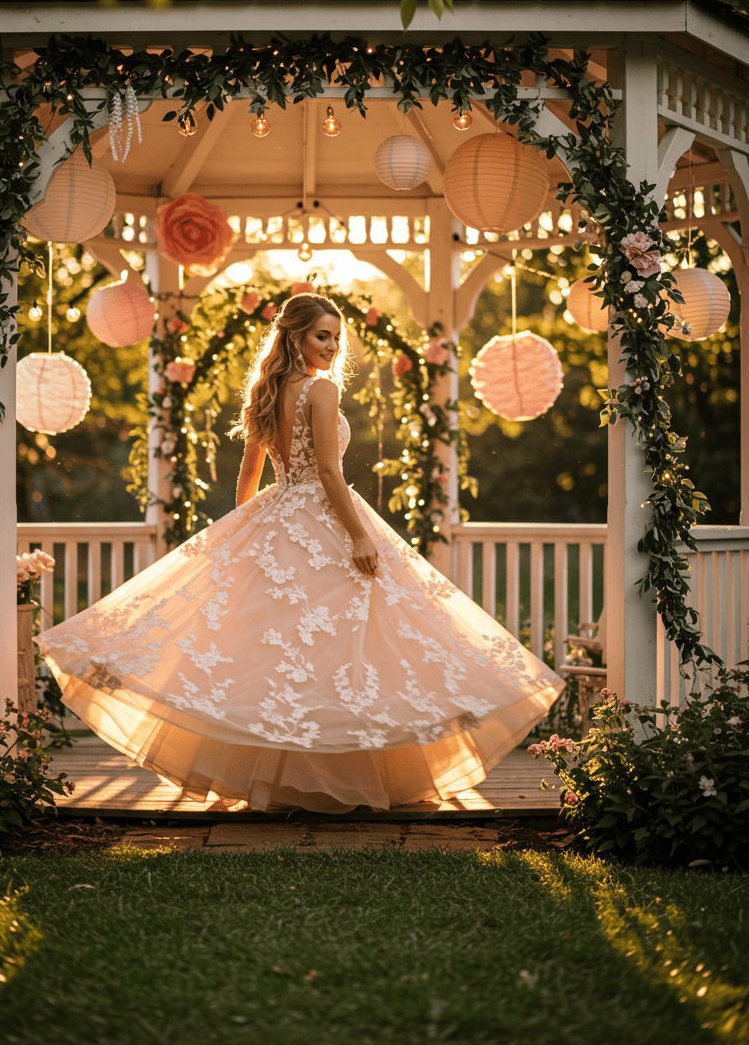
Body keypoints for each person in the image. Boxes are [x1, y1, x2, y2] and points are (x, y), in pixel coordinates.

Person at [37, 292, 562, 812]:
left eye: (336, 337)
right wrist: (357, 535)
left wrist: (244, 535)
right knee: (342, 645)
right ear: (295, 336)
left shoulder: (268, 391)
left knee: (282, 651)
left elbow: (249, 475)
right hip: (322, 517)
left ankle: (289, 783)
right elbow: (330, 473)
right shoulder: (320, 390)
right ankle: (333, 777)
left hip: (280, 513)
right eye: (322, 336)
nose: (332, 346)